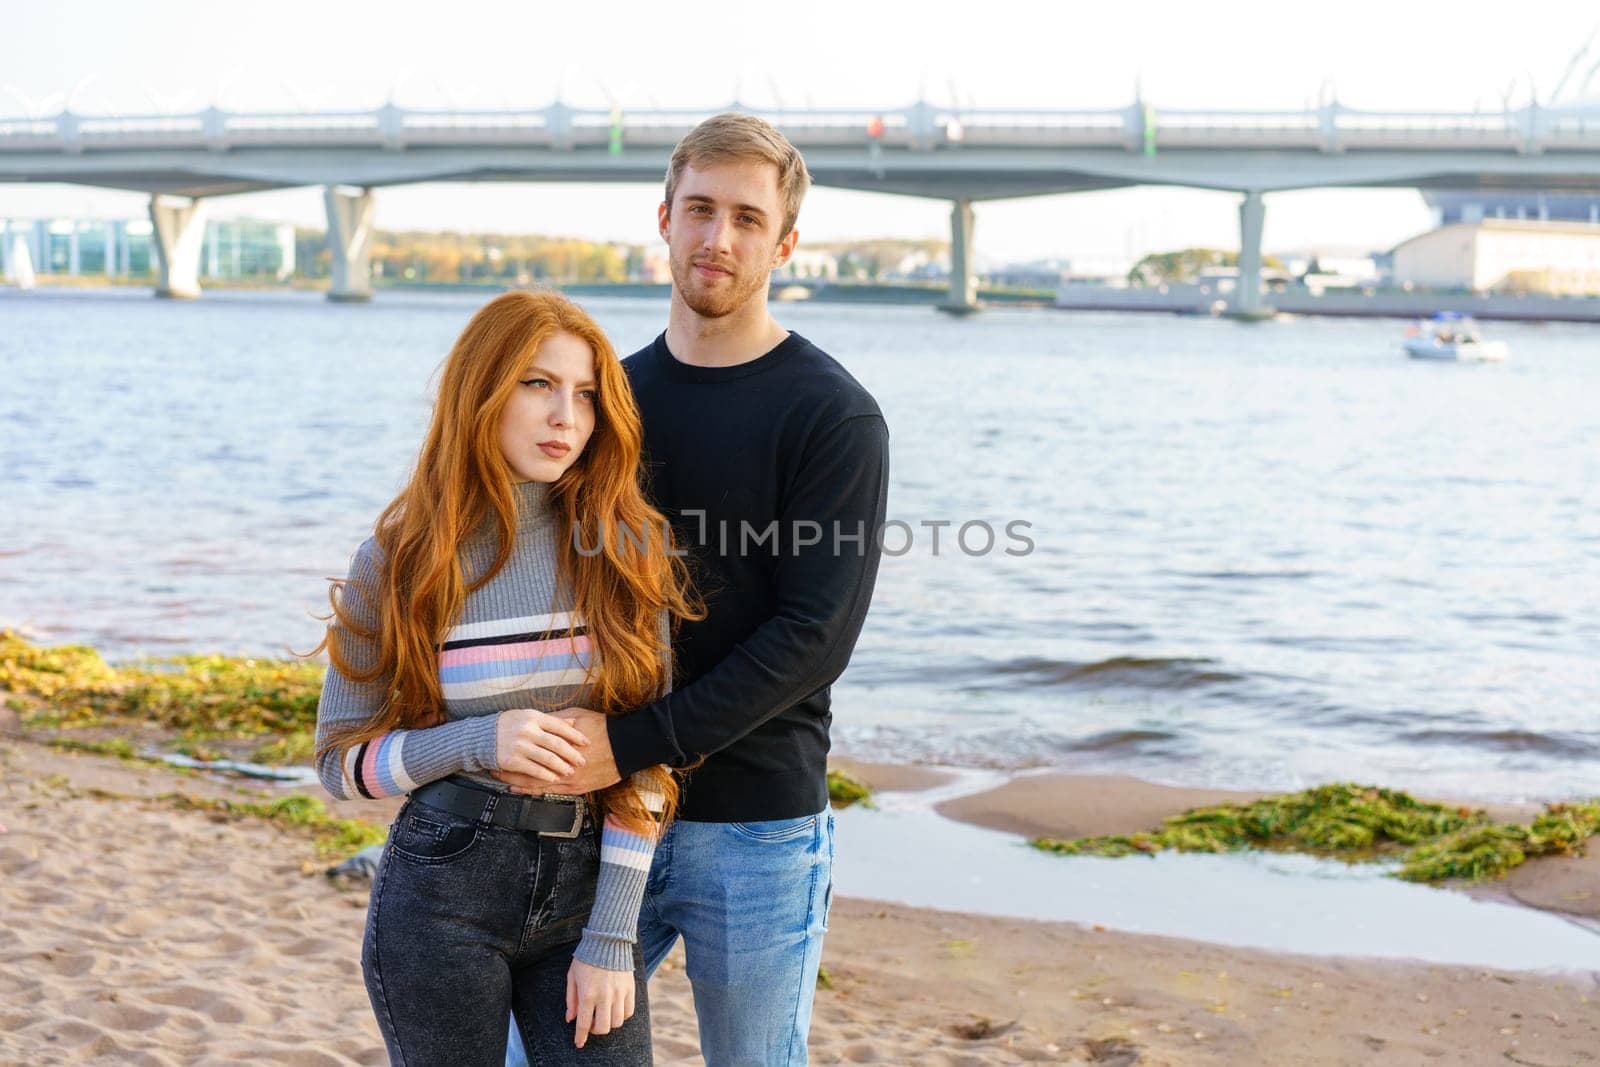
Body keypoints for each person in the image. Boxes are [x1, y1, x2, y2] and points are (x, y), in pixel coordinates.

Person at [494, 113, 891, 1065]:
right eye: (701, 210)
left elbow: (814, 634)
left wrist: (628, 743)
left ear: (784, 242)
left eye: (748, 219)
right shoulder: (605, 405)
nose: (720, 238)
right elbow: (528, 574)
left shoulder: (833, 415)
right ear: (664, 219)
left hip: (755, 831)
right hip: (593, 821)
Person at [312, 289, 698, 1065]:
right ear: (482, 389)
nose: (567, 417)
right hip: (439, 889)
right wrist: (478, 739)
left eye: (586, 394)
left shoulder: (626, 550)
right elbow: (340, 765)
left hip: (584, 891)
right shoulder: (399, 561)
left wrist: (613, 935)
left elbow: (645, 763)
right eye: (538, 384)